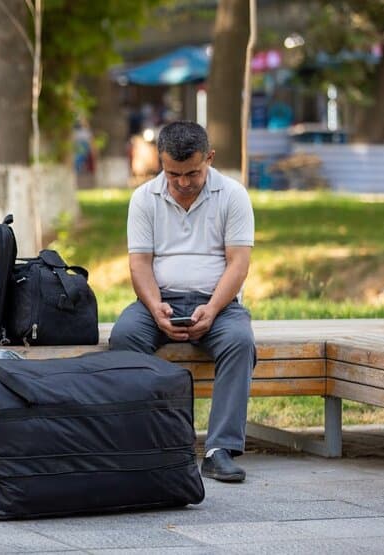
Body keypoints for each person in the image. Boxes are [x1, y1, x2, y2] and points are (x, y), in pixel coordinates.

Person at [109, 121, 256, 483]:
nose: (183, 183)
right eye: (173, 174)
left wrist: (214, 308)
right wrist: (156, 306)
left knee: (240, 342)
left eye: (192, 172)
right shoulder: (144, 198)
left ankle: (220, 449)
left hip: (217, 303)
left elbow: (239, 262)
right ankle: (146, 441)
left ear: (210, 158)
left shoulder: (233, 195)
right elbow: (140, 263)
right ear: (160, 161)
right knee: (124, 337)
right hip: (159, 301)